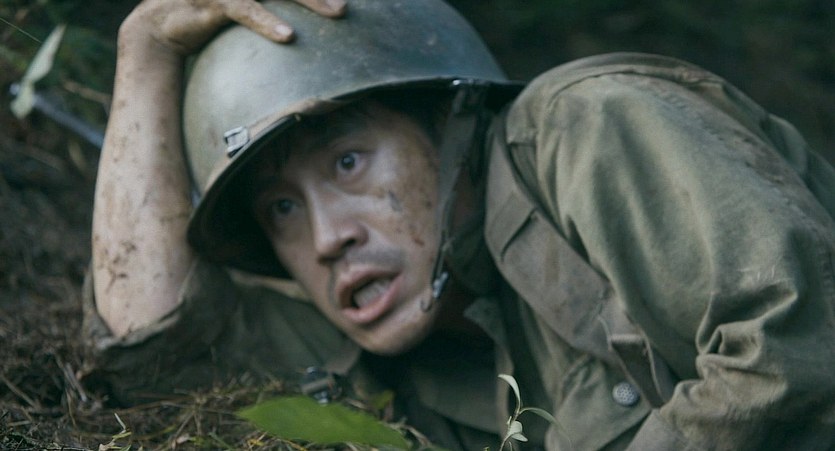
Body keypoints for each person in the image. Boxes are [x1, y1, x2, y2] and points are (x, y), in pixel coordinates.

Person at [84, 0, 835, 449]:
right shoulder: (393, 358)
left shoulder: (585, 127)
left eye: (348, 162)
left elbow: (796, 347)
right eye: (282, 208)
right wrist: (144, 54)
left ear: (448, 122)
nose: (327, 237)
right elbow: (157, 351)